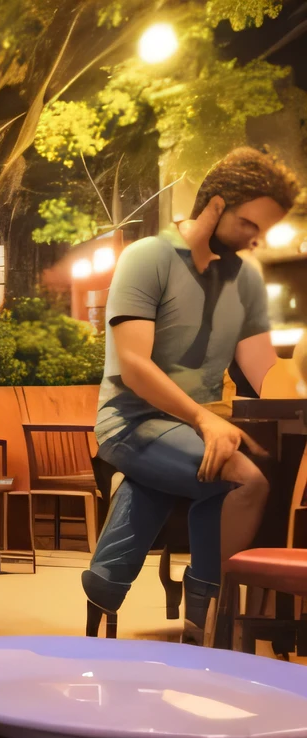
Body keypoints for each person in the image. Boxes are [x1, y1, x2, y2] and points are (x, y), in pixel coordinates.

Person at [84, 147, 299, 640]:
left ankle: (106, 583)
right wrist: (206, 421)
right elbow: (134, 367)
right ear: (217, 206)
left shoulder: (245, 279)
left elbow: (265, 369)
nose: (255, 239)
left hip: (196, 430)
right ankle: (207, 627)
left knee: (229, 471)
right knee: (245, 481)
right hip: (130, 422)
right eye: (250, 224)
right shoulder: (148, 258)